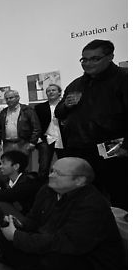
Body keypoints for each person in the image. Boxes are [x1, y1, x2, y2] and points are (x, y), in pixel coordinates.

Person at [0, 157, 125, 270]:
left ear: (80, 180)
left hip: (85, 259)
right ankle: (28, 268)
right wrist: (19, 225)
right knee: (1, 227)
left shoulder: (92, 204)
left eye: (58, 173)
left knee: (51, 262)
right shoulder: (47, 190)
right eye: (52, 171)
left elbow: (67, 243)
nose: (51, 176)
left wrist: (17, 237)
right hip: (52, 241)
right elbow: (34, 220)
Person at [54, 39, 127, 210]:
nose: (87, 63)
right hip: (80, 147)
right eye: (84, 59)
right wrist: (66, 105)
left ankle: (123, 233)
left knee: (118, 191)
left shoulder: (125, 79)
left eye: (95, 58)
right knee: (85, 194)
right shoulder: (76, 84)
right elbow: (59, 112)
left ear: (110, 57)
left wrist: (127, 146)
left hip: (112, 145)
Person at [34, 84, 66, 181]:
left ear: (59, 92)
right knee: (44, 166)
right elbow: (36, 124)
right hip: (46, 138)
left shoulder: (66, 105)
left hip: (63, 139)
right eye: (48, 91)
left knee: (65, 165)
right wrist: (37, 138)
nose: (51, 92)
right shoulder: (40, 108)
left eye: (53, 90)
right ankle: (41, 189)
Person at [0, 89, 41, 154]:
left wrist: (33, 142)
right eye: (7, 99)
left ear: (18, 98)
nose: (8, 100)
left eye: (11, 98)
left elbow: (36, 127)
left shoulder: (27, 110)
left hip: (23, 143)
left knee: (24, 163)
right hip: (7, 144)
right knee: (9, 163)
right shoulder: (3, 112)